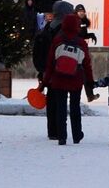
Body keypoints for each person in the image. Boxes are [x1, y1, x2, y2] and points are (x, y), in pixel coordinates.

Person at [41, 12, 98, 143]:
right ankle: (77, 135)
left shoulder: (57, 41)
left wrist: (45, 82)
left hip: (58, 79)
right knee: (75, 107)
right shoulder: (81, 43)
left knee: (60, 108)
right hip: (75, 79)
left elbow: (50, 63)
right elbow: (87, 65)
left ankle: (62, 137)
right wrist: (89, 81)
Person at [33, 0, 75, 139]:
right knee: (60, 101)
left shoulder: (46, 29)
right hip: (61, 70)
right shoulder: (64, 31)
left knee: (51, 100)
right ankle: (59, 131)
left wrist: (42, 70)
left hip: (47, 71)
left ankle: (52, 131)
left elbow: (38, 53)